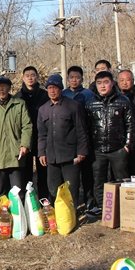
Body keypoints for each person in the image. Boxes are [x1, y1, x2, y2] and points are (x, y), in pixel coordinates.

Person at [85, 71, 134, 217]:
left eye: (105, 82)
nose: (102, 86)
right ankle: (102, 208)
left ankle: (123, 209)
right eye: (99, 83)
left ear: (112, 83)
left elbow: (130, 124)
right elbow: (86, 128)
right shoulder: (90, 103)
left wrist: (127, 145)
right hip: (97, 149)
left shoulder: (123, 101)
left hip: (118, 148)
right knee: (98, 180)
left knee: (121, 179)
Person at [37, 75, 88, 205]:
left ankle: (72, 214)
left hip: (70, 155)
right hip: (51, 157)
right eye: (49, 88)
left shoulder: (73, 106)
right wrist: (42, 152)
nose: (52, 91)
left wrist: (82, 152)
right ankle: (57, 214)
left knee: (71, 188)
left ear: (61, 89)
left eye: (55, 88)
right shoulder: (43, 109)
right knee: (53, 188)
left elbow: (81, 130)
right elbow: (41, 134)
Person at [0, 76, 32, 200]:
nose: (1, 89)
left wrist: (25, 144)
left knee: (18, 191)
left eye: (4, 87)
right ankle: (1, 218)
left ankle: (18, 218)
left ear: (9, 88)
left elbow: (27, 126)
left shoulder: (19, 104)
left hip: (16, 153)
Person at [15, 66, 49, 199]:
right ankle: (28, 201)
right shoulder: (18, 97)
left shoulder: (44, 95)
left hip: (42, 137)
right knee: (25, 173)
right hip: (25, 139)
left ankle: (44, 200)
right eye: (27, 75)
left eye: (33, 75)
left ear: (37, 77)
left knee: (43, 172)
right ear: (23, 78)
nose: (30, 77)